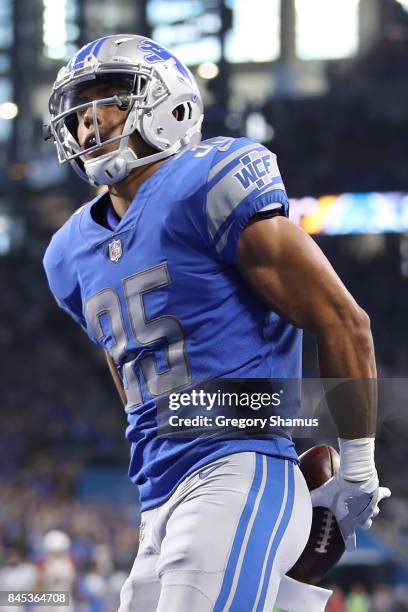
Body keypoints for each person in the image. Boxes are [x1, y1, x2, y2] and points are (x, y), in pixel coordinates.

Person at [43, 34, 390, 611]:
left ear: (169, 107)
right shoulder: (67, 252)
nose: (88, 123)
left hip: (237, 464)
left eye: (108, 99)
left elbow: (344, 320)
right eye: (79, 110)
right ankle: (298, 587)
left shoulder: (209, 180)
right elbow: (125, 364)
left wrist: (357, 468)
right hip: (158, 492)